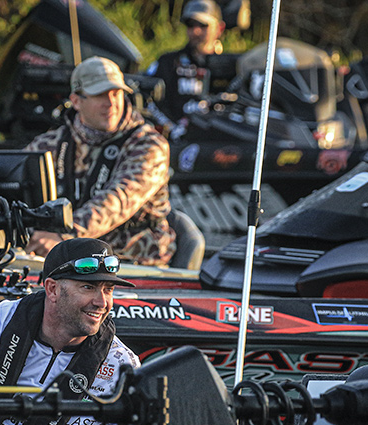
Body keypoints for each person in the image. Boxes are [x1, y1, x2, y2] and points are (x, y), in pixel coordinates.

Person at [0, 238, 141, 425]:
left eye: (108, 290)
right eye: (88, 287)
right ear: (52, 289)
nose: (102, 302)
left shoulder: (122, 364)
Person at [24, 56, 175, 266]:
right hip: (71, 262)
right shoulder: (49, 144)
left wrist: (63, 236)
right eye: (100, 95)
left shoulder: (149, 145)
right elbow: (13, 183)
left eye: (116, 93)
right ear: (76, 100)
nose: (111, 103)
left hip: (136, 263)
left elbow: (118, 200)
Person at [143, 0, 226, 141]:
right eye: (190, 24)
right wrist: (173, 128)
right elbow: (147, 99)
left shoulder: (232, 67)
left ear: (219, 28)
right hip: (176, 142)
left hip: (218, 143)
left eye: (203, 25)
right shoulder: (168, 62)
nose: (195, 31)